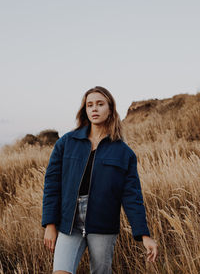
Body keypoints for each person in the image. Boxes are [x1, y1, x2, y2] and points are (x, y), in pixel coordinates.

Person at [42, 86, 158, 274]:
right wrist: (50, 224)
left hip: (103, 224)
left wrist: (144, 235)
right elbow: (52, 185)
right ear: (85, 110)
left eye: (100, 104)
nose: (94, 109)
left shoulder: (124, 153)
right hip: (68, 222)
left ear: (110, 109)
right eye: (90, 105)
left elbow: (132, 197)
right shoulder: (66, 142)